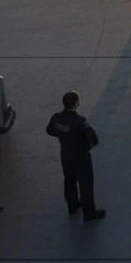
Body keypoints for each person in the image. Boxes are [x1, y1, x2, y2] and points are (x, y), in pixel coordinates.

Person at [46, 91, 106, 222]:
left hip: (65, 155)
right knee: (86, 185)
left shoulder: (56, 117)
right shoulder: (80, 122)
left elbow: (49, 130)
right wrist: (85, 147)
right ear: (76, 104)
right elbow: (94, 139)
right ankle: (89, 212)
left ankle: (72, 207)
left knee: (69, 181)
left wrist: (64, 138)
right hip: (81, 157)